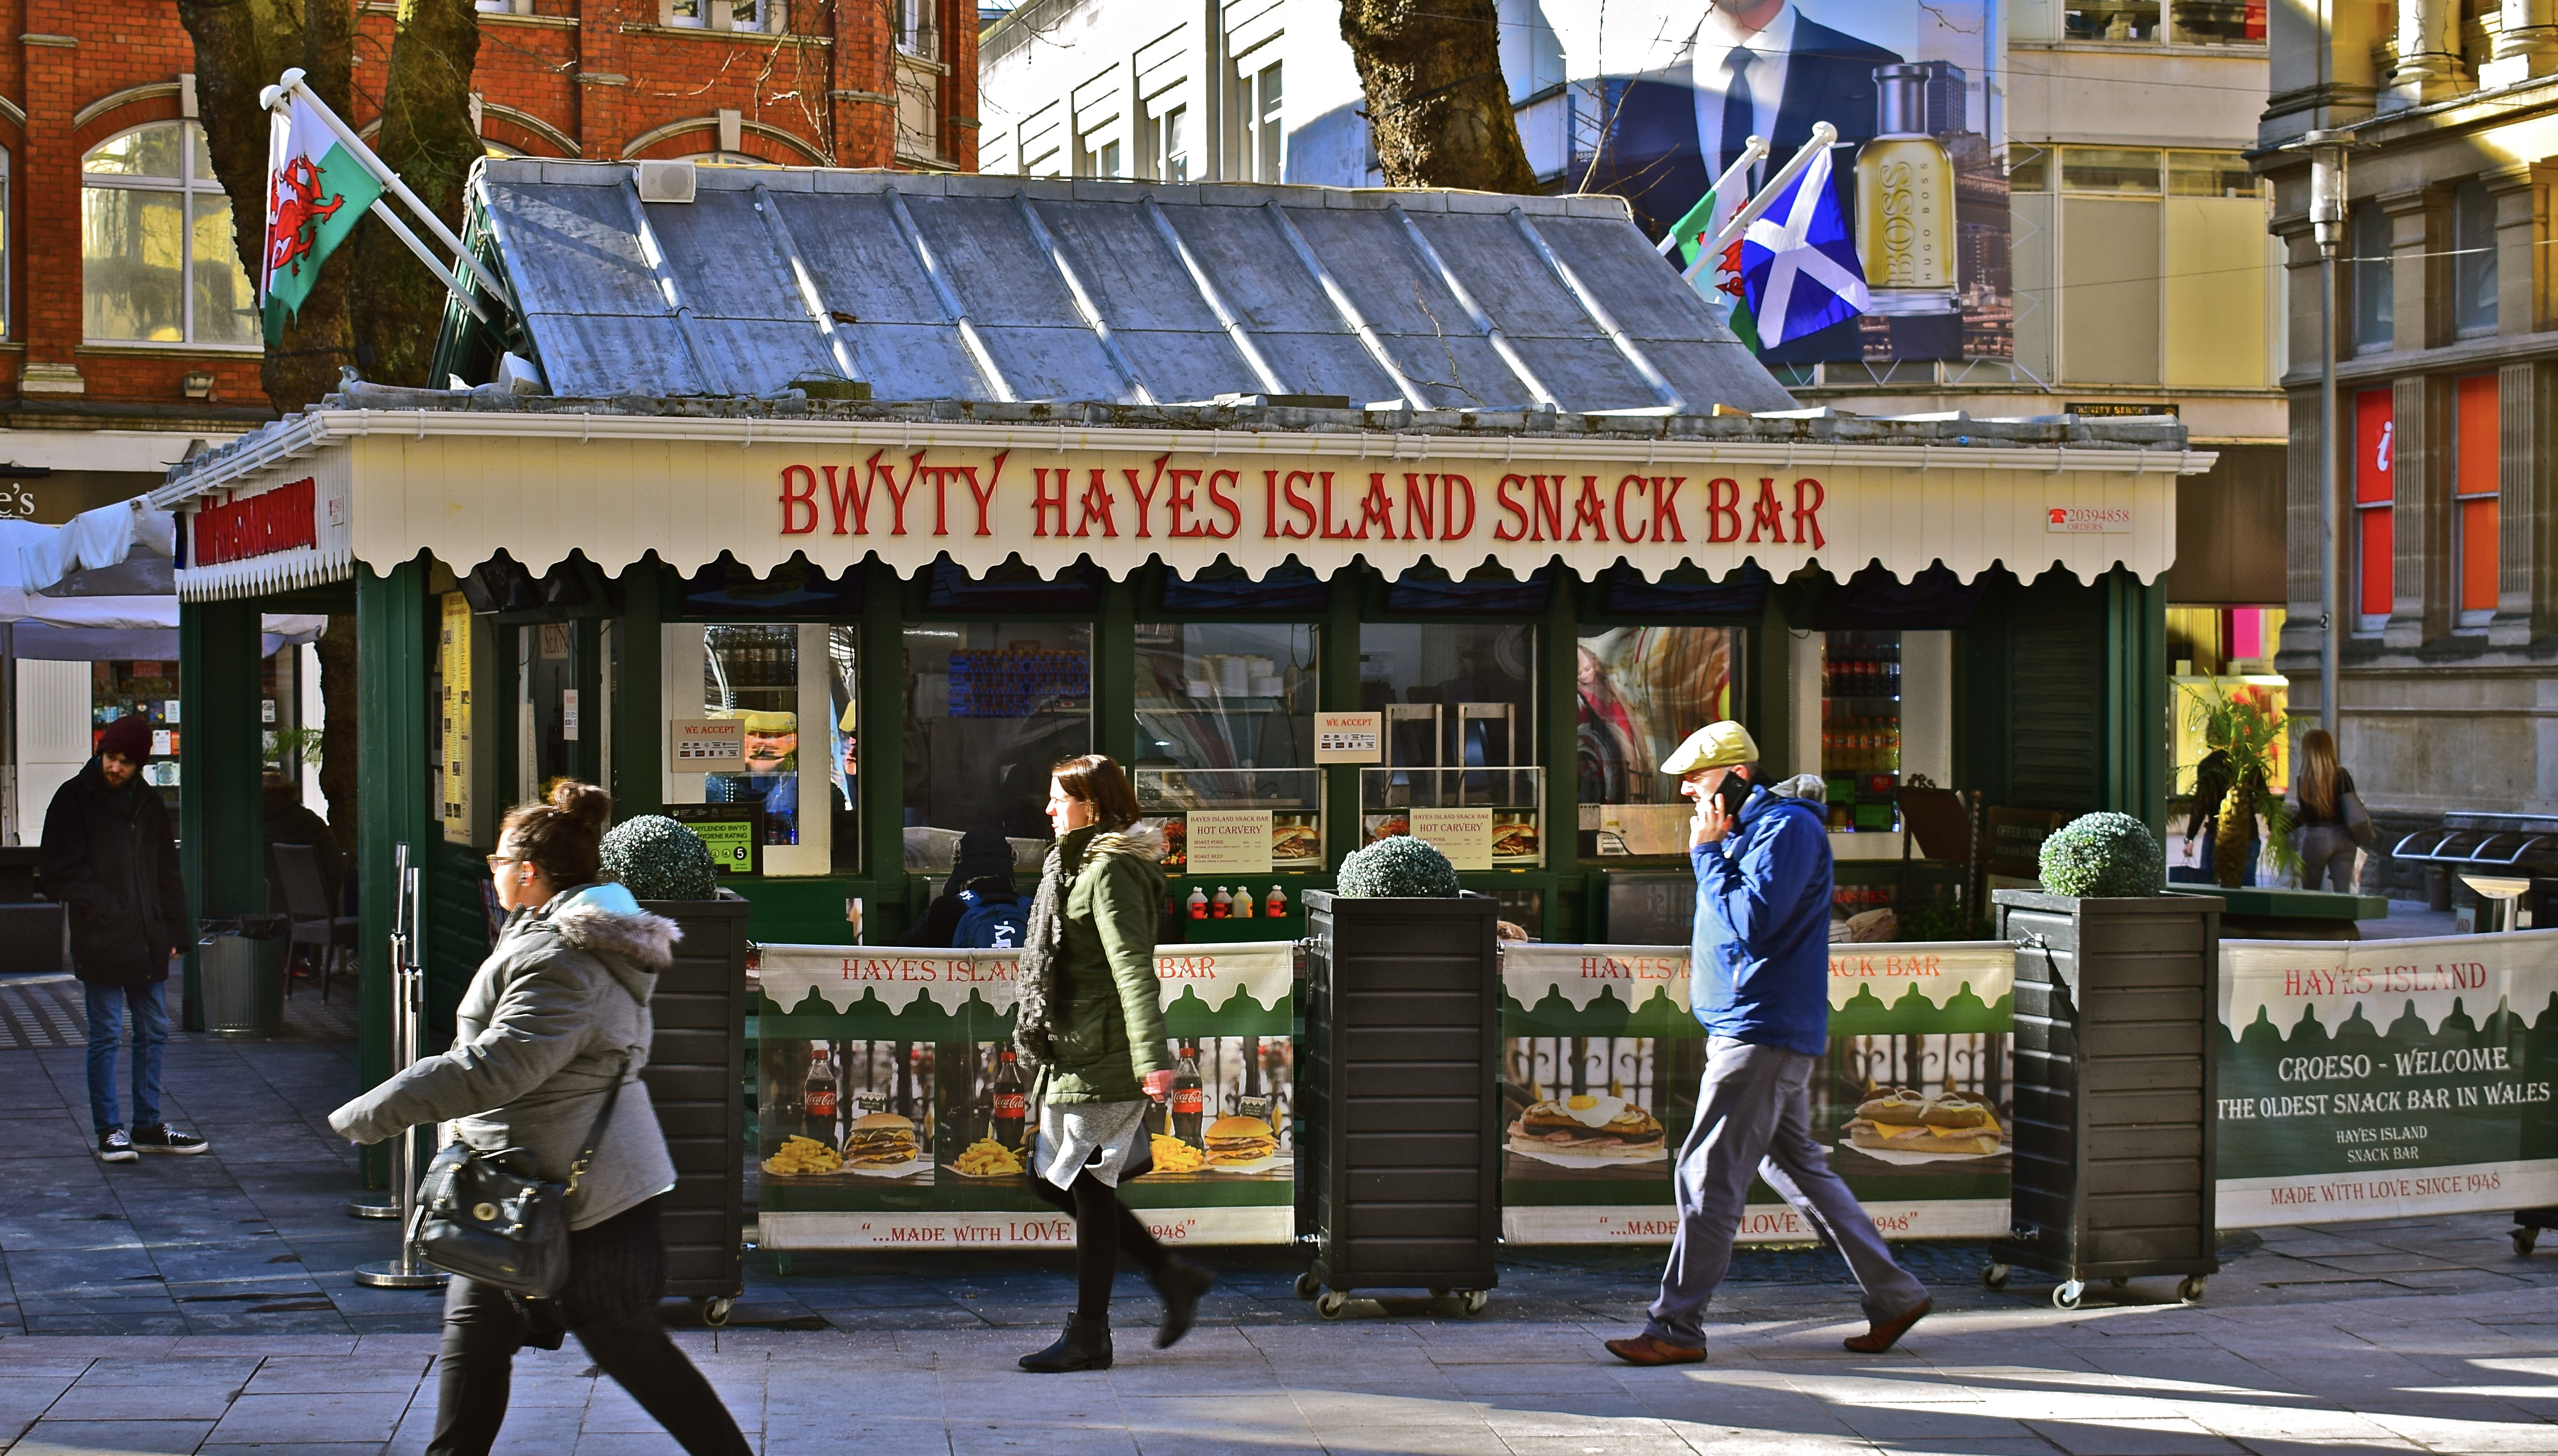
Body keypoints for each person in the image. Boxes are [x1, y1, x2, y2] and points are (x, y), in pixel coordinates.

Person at [327, 782, 750, 1456]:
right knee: (473, 1340)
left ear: (527, 872)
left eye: (496, 860)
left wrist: (370, 1113)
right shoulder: (545, 936)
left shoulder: (563, 959)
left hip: (589, 1205)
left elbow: (495, 1066)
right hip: (514, 1190)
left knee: (633, 1350)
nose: (489, 871)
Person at [1607, 721, 1929, 1366]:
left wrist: (1706, 852)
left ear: (1733, 776)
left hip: (1759, 1029)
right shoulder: (1753, 829)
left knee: (1704, 1172)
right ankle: (1893, 1295)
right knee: (1794, 1166)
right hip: (1753, 1024)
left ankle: (1675, 1327)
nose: (1684, 793)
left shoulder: (1785, 829)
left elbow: (1755, 923)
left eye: (1693, 779)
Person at [1012, 753, 1213, 1372]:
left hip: (1105, 1050)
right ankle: (1168, 1274)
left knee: (1082, 1185)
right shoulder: (1071, 866)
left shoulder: (1110, 871)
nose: (1048, 809)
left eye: (1057, 798)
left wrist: (1154, 1058)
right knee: (1054, 1178)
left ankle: (1092, 1332)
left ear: (1091, 806)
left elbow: (1132, 967)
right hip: (1077, 1046)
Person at [42, 713, 205, 1164]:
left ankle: (147, 1124)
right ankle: (110, 1128)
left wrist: (174, 929)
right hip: (104, 936)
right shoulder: (74, 798)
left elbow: (165, 871)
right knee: (107, 1032)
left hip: (146, 936)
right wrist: (106, 907)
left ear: (140, 766)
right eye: (112, 757)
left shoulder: (148, 804)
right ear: (102, 751)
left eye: (126, 762)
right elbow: (58, 872)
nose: (116, 767)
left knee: (153, 1029)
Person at [2291, 729, 2365, 893]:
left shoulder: (2304, 778)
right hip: (2344, 836)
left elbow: (2307, 814)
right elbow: (2351, 805)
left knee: (2311, 891)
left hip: (2317, 837)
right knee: (2343, 892)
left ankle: (2315, 919)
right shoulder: (2342, 774)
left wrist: (2281, 827)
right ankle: (2343, 919)